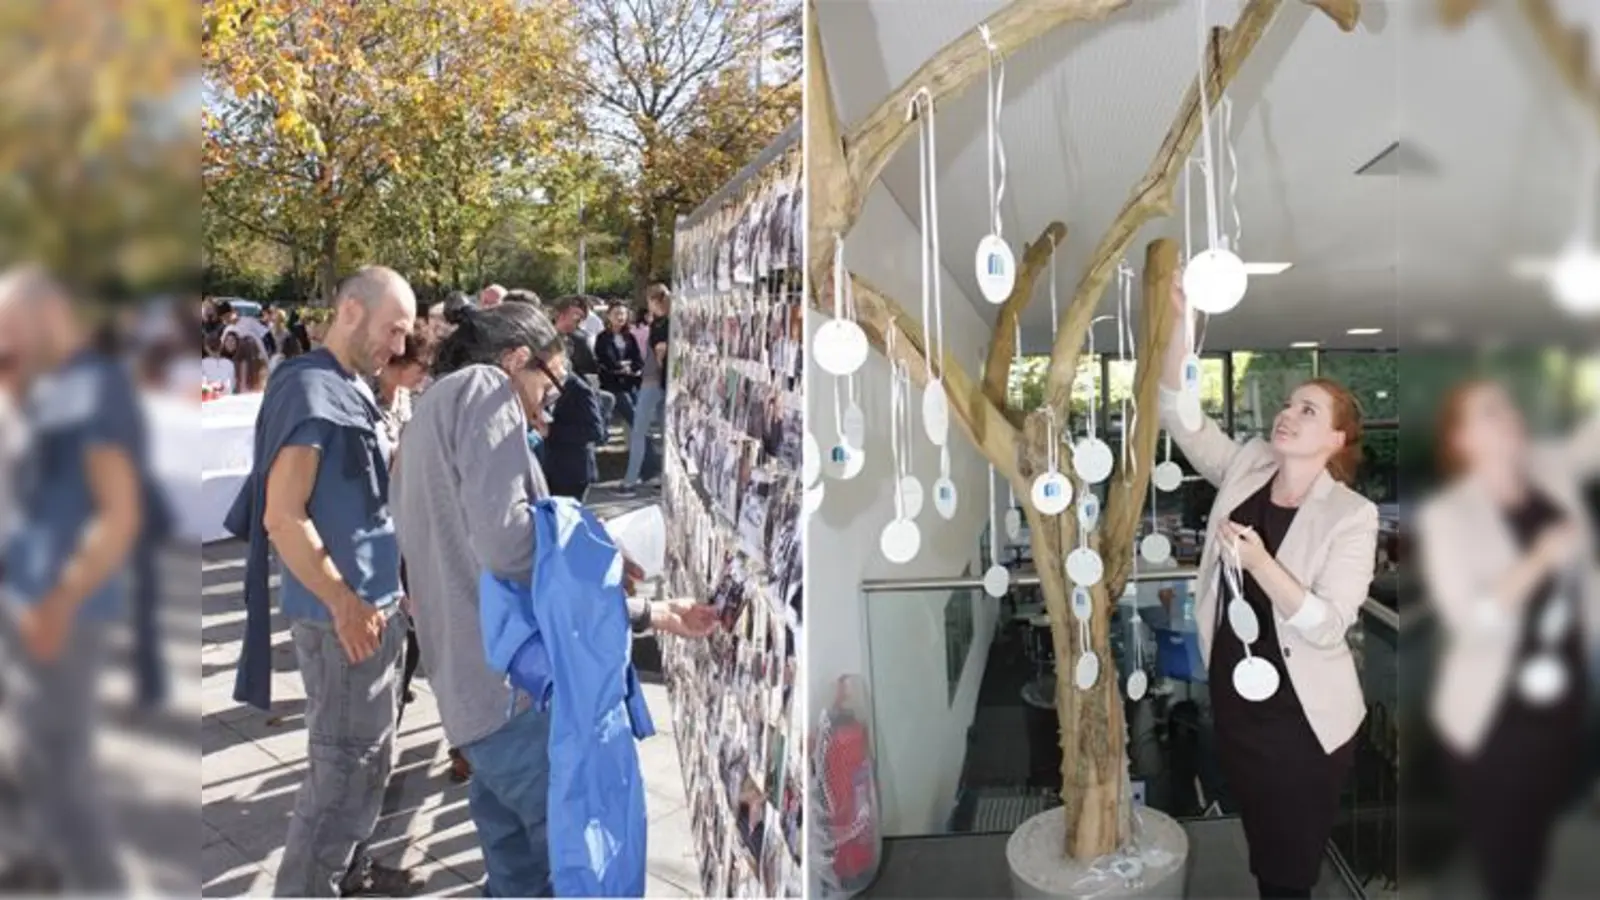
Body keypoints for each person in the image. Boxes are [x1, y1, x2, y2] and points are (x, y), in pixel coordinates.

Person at [390, 301, 716, 897]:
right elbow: (509, 544)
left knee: (514, 870)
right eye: (553, 381)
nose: (549, 402)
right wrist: (598, 547)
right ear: (519, 359)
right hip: (515, 700)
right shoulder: (485, 388)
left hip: (472, 699)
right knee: (571, 869)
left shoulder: (425, 413)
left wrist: (651, 611)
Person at [1161, 270, 1378, 900]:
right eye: (1288, 404)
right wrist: (1182, 324)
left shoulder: (1351, 515)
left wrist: (1260, 565)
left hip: (1303, 718)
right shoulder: (1249, 464)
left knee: (1290, 865)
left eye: (1307, 410)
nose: (1287, 414)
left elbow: (1329, 624)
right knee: (1263, 845)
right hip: (1237, 701)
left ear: (1337, 440)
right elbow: (1180, 413)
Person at [222, 266, 419, 897]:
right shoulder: (309, 388)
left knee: (368, 765)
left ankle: (352, 875)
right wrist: (343, 600)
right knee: (339, 779)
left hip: (373, 610)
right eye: (394, 329)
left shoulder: (349, 386)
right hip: (343, 622)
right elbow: (282, 514)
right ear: (352, 310)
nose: (399, 347)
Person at [0, 268, 154, 892]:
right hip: (27, 597)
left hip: (68, 608)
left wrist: (60, 603)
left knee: (65, 767)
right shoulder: (39, 387)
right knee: (36, 757)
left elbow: (118, 514)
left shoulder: (96, 388)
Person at [1418, 380, 1599, 900]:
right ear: (1462, 439)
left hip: (1561, 701)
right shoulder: (1448, 516)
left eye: (1508, 406)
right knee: (1507, 860)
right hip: (1494, 716)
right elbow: (1470, 624)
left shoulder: (1548, 469)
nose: (1510, 416)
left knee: (1535, 841)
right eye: (1490, 412)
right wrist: (1538, 561)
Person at [541, 295, 607, 501]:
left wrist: (551, 430)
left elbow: (596, 432)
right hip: (552, 467)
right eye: (574, 316)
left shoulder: (579, 389)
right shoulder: (545, 385)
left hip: (573, 470)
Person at [619, 284, 670, 495]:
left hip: (652, 381)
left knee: (639, 430)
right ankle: (664, 477)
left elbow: (659, 354)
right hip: (667, 383)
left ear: (654, 300)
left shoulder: (660, 325)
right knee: (666, 433)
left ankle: (630, 480)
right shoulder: (670, 322)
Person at [595, 302, 644, 436]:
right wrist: (621, 366)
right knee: (634, 417)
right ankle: (648, 453)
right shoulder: (603, 338)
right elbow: (605, 359)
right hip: (613, 385)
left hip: (631, 383)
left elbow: (638, 359)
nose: (620, 317)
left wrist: (631, 367)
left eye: (623, 314)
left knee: (637, 417)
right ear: (609, 316)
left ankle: (636, 451)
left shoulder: (630, 337)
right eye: (616, 313)